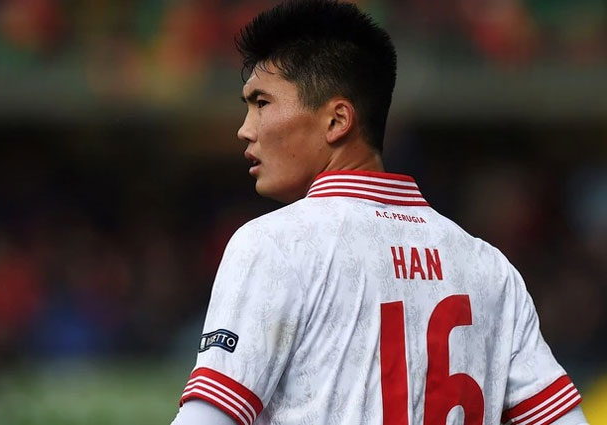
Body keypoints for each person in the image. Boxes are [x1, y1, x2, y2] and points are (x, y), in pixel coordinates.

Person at [171, 1, 590, 424]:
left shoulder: (275, 244)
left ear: (337, 120)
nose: (245, 128)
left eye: (261, 103)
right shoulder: (489, 268)